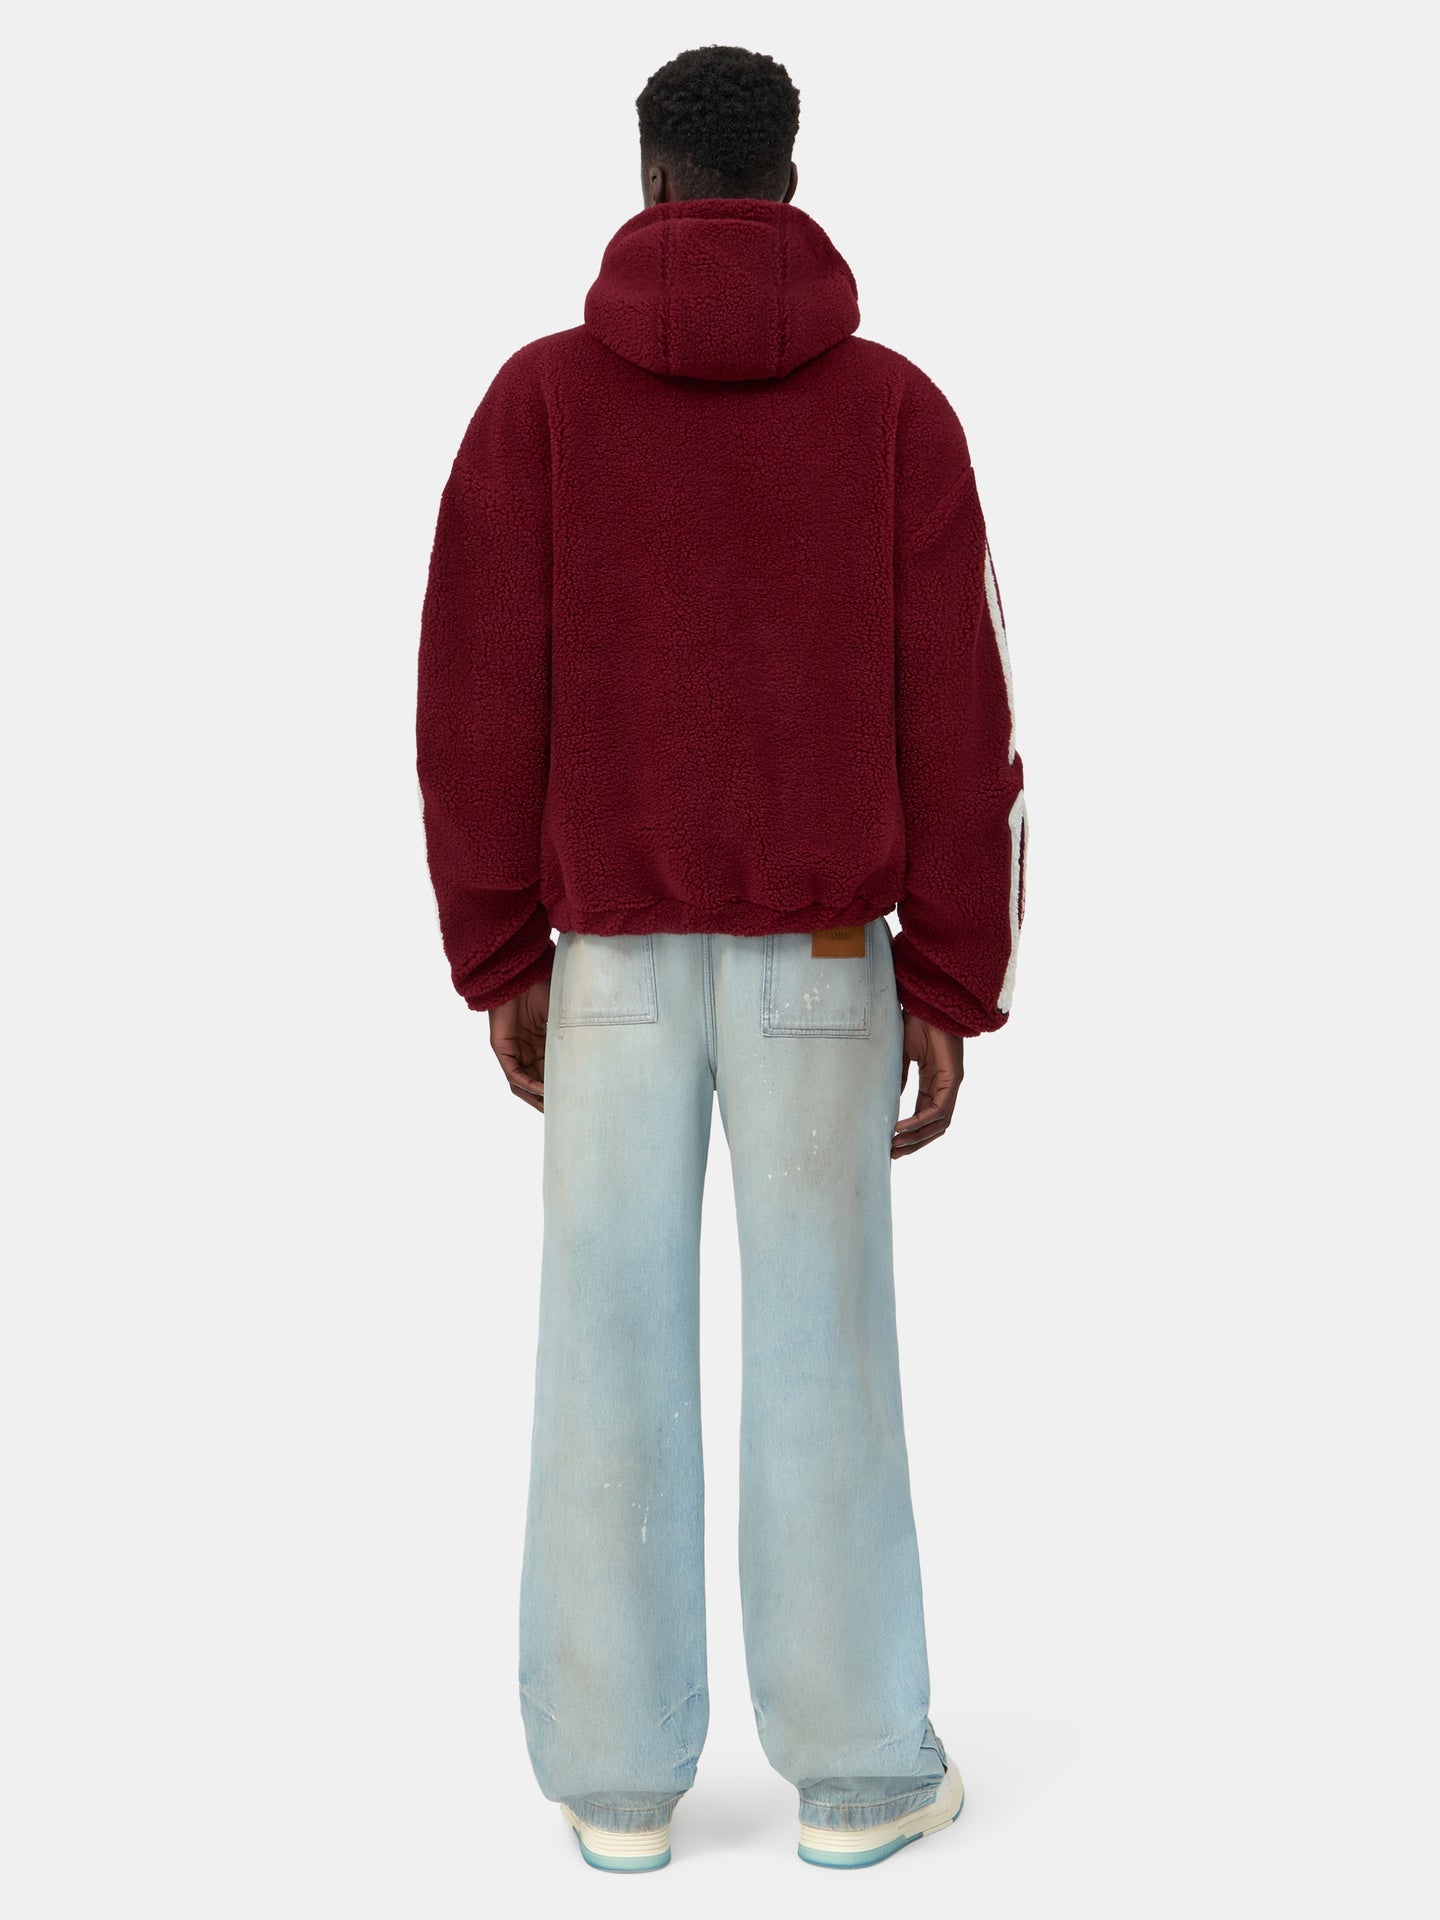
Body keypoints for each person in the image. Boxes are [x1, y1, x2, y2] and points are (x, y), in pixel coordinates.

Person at [416, 43, 1026, 1873]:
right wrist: (953, 978)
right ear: (787, 180)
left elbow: (470, 701)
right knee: (827, 1348)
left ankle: (614, 1785)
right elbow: (963, 716)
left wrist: (500, 948)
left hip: (606, 957)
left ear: (653, 181)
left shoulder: (537, 405)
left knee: (600, 1346)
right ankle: (859, 1775)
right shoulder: (897, 415)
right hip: (827, 957)